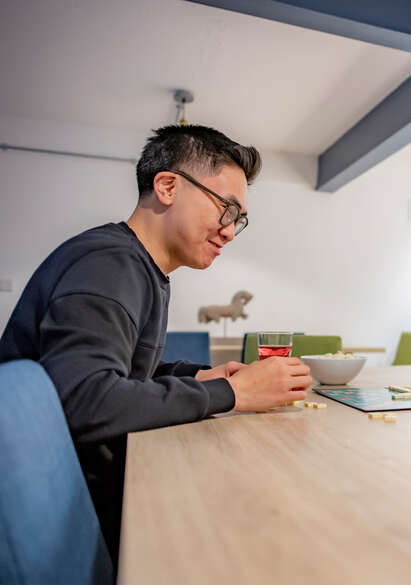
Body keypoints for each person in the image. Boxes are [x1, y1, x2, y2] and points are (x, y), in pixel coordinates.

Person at [0, 125, 312, 564]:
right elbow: (84, 399)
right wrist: (232, 394)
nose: (230, 232)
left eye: (238, 220)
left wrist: (199, 375)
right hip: (77, 513)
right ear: (167, 186)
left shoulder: (137, 268)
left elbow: (126, 370)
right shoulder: (109, 264)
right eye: (226, 209)